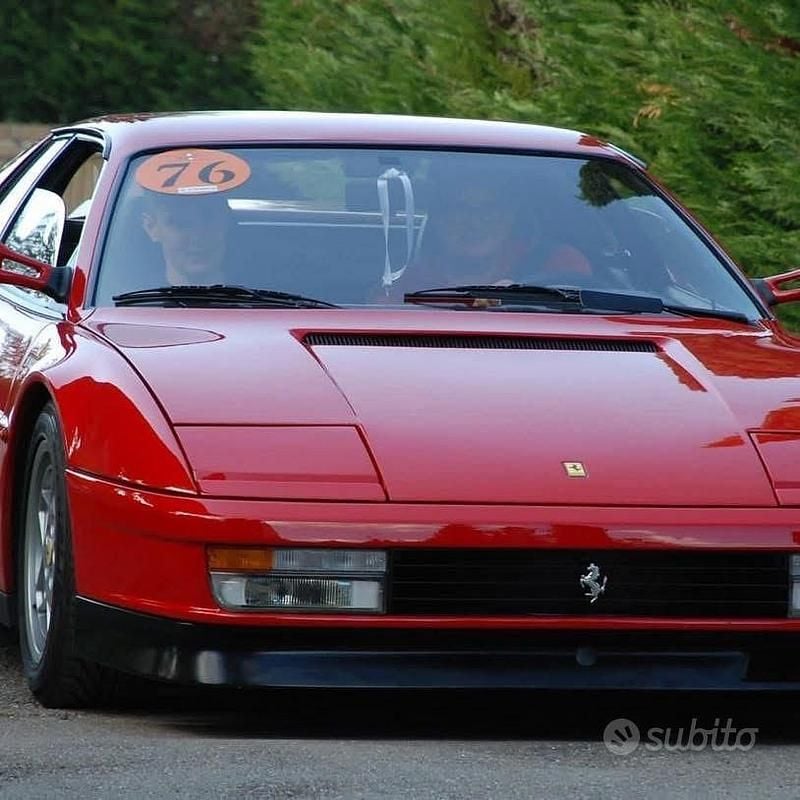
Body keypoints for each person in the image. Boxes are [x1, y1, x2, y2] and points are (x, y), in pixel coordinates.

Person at [140, 191, 230, 286]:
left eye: (209, 220)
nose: (197, 237)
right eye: (180, 223)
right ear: (151, 227)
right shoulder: (133, 287)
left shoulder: (133, 286)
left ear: (226, 221)